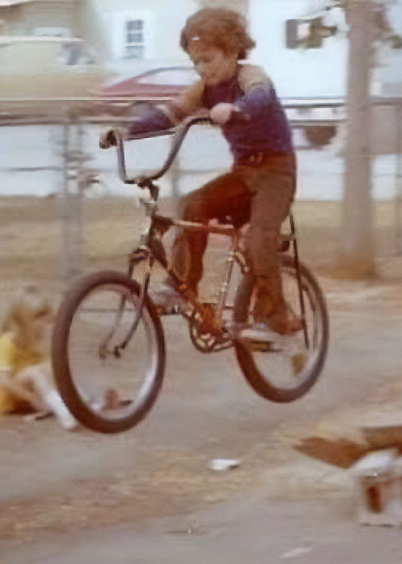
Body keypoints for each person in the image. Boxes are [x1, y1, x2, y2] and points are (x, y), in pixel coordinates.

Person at [100, 7, 301, 343]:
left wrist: (236, 109)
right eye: (196, 62)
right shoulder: (203, 90)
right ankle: (183, 286)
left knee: (259, 239)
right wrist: (125, 132)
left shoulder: (249, 76)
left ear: (232, 52)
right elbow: (169, 114)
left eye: (208, 60)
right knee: (193, 207)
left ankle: (274, 318)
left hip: (276, 173)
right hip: (244, 173)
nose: (201, 69)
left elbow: (260, 97)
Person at [0, 285, 79, 430]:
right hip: (0, 399)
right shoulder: (6, 343)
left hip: (21, 395)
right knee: (35, 372)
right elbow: (5, 382)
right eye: (38, 319)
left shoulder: (33, 344)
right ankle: (64, 411)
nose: (44, 325)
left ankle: (84, 403)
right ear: (22, 323)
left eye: (46, 319)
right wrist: (34, 399)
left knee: (52, 368)